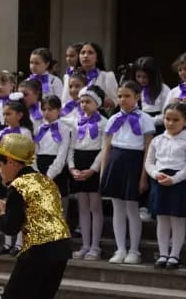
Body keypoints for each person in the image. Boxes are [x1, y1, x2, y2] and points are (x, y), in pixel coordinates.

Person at [0, 133, 72, 299]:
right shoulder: (46, 181)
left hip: (39, 247)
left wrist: (1, 212)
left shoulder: (19, 186)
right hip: (62, 246)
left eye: (1, 162)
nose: (0, 168)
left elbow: (10, 228)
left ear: (13, 163)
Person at [100, 82, 156, 264]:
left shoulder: (145, 119)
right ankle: (120, 248)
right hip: (115, 163)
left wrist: (143, 176)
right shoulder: (113, 118)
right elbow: (107, 148)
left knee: (132, 209)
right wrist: (103, 172)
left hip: (134, 163)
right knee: (117, 208)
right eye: (120, 96)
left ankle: (134, 250)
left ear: (137, 97)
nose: (122, 100)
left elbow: (148, 148)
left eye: (127, 96)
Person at [146, 102, 186, 268]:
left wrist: (175, 179)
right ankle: (163, 253)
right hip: (160, 180)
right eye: (167, 119)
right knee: (162, 218)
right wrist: (155, 174)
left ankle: (175, 254)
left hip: (179, 181)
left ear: (184, 121)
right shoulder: (157, 140)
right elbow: (149, 162)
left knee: (177, 219)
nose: (170, 123)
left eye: (175, 119)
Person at [70, 85, 107, 260]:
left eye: (88, 101)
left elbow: (104, 149)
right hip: (78, 163)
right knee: (82, 207)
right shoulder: (75, 121)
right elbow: (71, 146)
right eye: (82, 101)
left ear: (97, 103)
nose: (84, 105)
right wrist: (71, 167)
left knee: (95, 207)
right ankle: (85, 245)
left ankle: (95, 246)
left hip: (93, 165)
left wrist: (93, 169)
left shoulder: (104, 123)